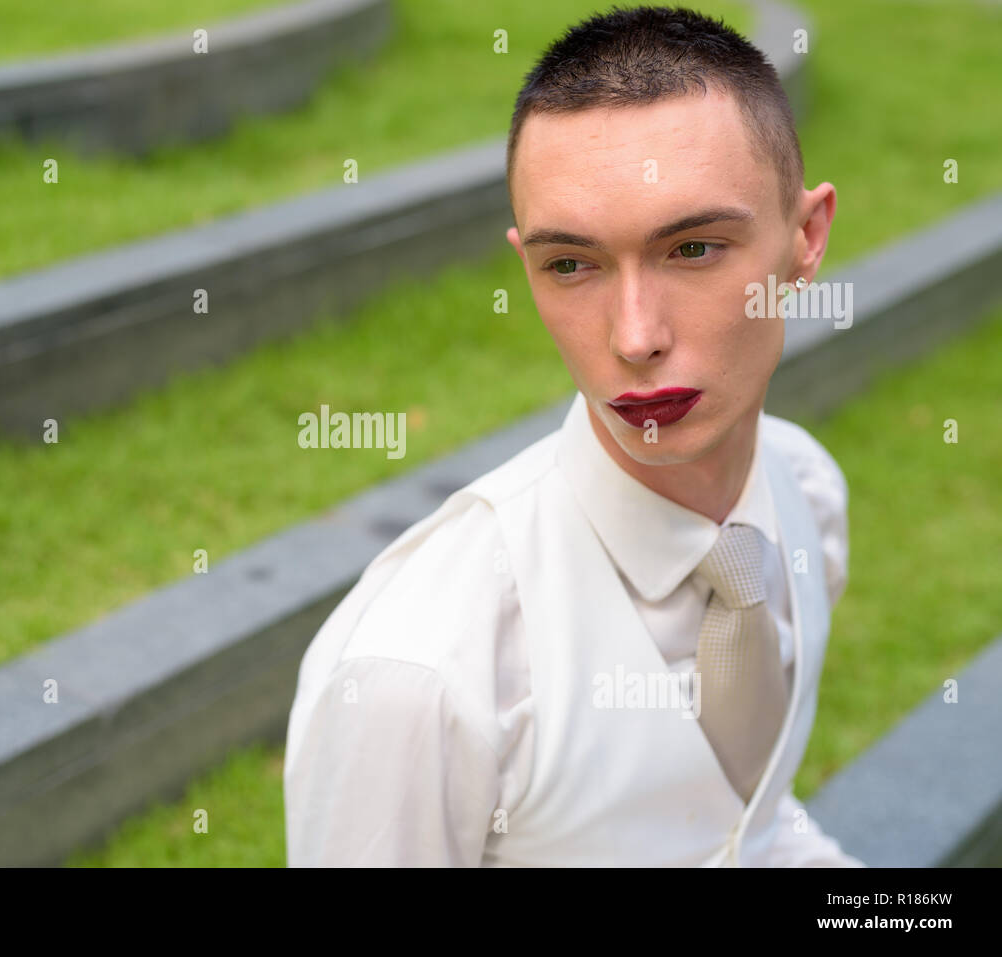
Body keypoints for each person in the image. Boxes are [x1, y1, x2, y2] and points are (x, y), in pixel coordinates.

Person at [283, 5, 864, 866]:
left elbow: (757, 832)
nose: (635, 336)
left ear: (804, 240)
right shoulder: (422, 670)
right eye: (572, 264)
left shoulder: (805, 494)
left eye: (695, 248)